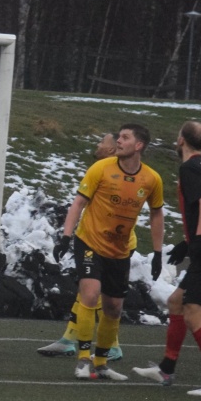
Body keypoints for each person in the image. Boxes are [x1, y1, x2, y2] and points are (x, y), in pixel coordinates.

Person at [52, 123, 164, 381]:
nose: (119, 141)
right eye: (119, 137)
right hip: (89, 242)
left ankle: (101, 363)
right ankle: (83, 359)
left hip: (120, 250)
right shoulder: (100, 168)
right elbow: (78, 203)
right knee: (90, 295)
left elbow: (157, 213)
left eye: (125, 137)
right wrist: (66, 237)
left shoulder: (152, 179)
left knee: (114, 307)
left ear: (139, 145)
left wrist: (158, 253)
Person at [133, 121, 201, 397]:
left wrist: (197, 241)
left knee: (193, 314)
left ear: (181, 140)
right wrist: (187, 244)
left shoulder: (189, 167)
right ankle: (167, 369)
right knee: (176, 302)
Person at [37, 132, 128, 360]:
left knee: (99, 295)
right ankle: (70, 340)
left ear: (111, 150)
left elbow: (80, 204)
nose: (97, 144)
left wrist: (67, 237)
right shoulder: (101, 170)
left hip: (110, 244)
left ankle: (109, 346)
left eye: (102, 142)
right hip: (94, 240)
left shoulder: (115, 174)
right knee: (88, 292)